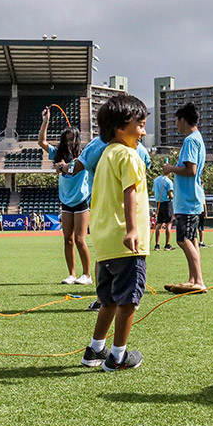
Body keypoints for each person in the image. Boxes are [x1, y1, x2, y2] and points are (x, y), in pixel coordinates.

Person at [79, 95, 149, 371]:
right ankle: (118, 356)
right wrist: (132, 229)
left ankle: (95, 350)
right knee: (128, 300)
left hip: (106, 243)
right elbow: (129, 192)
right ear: (121, 127)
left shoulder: (107, 153)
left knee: (107, 300)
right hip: (126, 242)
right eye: (140, 125)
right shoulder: (129, 155)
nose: (143, 131)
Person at [53, 119, 151, 310]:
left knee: (104, 256)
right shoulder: (137, 149)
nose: (143, 132)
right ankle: (123, 298)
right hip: (134, 212)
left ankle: (103, 299)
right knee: (131, 256)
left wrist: (63, 168)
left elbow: (75, 167)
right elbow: (143, 168)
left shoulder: (96, 145)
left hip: (103, 210)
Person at [38, 106, 92, 285]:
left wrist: (62, 167)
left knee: (79, 239)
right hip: (66, 201)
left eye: (71, 140)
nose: (69, 143)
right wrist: (45, 121)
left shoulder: (84, 155)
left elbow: (68, 168)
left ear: (76, 140)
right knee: (67, 240)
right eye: (66, 139)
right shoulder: (58, 153)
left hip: (81, 201)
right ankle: (72, 274)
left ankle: (87, 275)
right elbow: (42, 142)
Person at [162, 103, 206, 294]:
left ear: (183, 119)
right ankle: (193, 279)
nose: (175, 124)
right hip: (192, 199)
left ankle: (199, 282)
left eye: (176, 120)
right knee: (192, 239)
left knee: (182, 239)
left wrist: (171, 168)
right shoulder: (198, 138)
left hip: (188, 201)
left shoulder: (190, 141)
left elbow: (191, 170)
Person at [152, 173, 174, 251]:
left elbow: (154, 191)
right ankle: (167, 245)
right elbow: (170, 195)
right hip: (167, 204)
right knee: (169, 223)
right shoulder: (168, 181)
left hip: (158, 203)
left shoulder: (156, 180)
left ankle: (157, 245)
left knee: (159, 224)